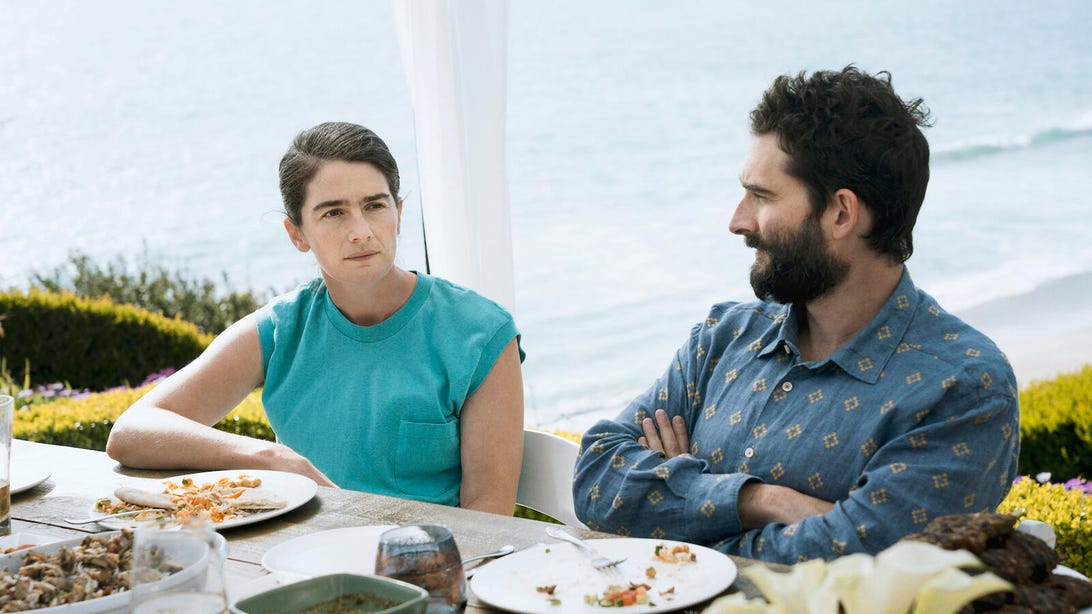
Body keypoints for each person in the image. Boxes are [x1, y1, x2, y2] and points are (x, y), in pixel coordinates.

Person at [572, 66, 1019, 563]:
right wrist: (760, 501)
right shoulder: (723, 337)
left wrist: (680, 496)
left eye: (761, 196)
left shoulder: (962, 389)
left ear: (841, 214)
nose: (737, 221)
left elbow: (858, 566)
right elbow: (596, 476)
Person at [107, 122, 525, 515]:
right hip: (295, 561)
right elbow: (131, 432)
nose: (361, 230)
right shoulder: (280, 331)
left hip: (425, 571)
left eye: (374, 206)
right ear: (297, 234)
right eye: (333, 213)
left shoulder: (480, 333)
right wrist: (269, 457)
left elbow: (491, 514)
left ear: (398, 212)